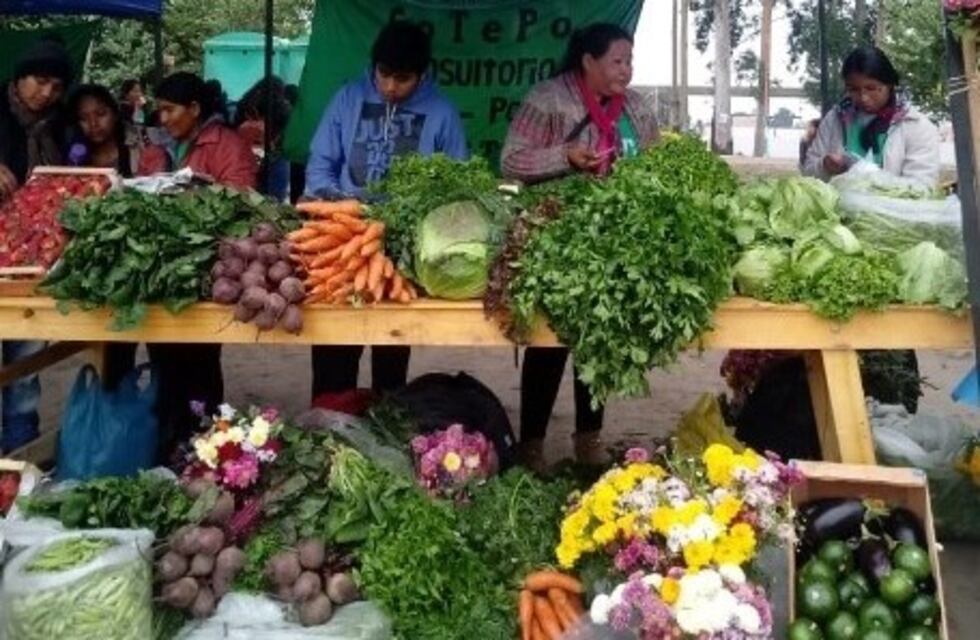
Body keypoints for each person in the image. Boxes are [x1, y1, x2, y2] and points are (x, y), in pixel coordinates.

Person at [501, 23, 660, 470]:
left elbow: (656, 165)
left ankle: (589, 439)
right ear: (588, 61)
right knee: (549, 340)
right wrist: (563, 156)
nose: (626, 71)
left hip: (615, 244)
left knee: (600, 341)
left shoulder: (639, 110)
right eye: (617, 61)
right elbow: (511, 158)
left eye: (630, 61)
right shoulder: (548, 100)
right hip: (556, 242)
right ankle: (532, 442)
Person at [306, 21, 468, 400]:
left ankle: (386, 421)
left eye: (403, 78)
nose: (391, 87)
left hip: (404, 249)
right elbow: (320, 163)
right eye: (384, 75)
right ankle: (329, 421)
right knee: (334, 345)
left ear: (422, 74)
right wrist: (333, 205)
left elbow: (457, 183)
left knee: (392, 346)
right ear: (373, 66)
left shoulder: (442, 112)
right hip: (343, 240)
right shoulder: (348, 98)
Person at [139, 72, 257, 457]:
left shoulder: (227, 144)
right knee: (162, 359)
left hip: (208, 266)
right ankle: (168, 440)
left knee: (200, 359)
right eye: (160, 110)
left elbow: (241, 201)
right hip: (160, 266)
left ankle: (206, 442)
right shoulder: (155, 148)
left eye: (171, 110)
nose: (164, 118)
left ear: (194, 109)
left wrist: (195, 201)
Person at [0, 38, 73, 452]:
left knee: (26, 361)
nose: (46, 93)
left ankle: (20, 448)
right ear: (19, 77)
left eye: (56, 87)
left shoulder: (60, 125)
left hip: (35, 259)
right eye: (40, 81)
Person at [803, 46, 940, 186]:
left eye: (872, 88)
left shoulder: (916, 126)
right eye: (853, 89)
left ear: (889, 84)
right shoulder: (835, 119)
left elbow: (922, 186)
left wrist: (877, 184)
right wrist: (825, 166)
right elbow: (808, 173)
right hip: (837, 207)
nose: (863, 97)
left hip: (890, 208)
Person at [234, 76, 292, 201]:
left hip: (244, 156)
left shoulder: (244, 104)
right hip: (272, 157)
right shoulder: (282, 109)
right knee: (273, 200)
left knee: (246, 194)